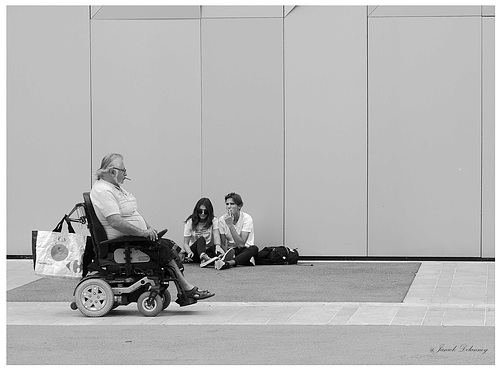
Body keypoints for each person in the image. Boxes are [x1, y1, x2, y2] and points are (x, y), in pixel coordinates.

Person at [89, 153, 214, 303]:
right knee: (162, 250)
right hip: (122, 243)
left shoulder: (114, 188)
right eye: (123, 170)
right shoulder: (104, 191)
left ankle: (184, 290)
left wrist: (149, 229)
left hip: (134, 238)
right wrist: (142, 232)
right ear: (113, 171)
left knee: (169, 245)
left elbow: (133, 213)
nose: (126, 173)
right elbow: (116, 222)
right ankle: (187, 289)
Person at [215, 192, 259, 270]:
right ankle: (243, 260)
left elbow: (241, 244)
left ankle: (229, 263)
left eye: (232, 204)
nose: (229, 207)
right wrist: (225, 254)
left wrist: (230, 225)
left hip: (244, 249)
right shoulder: (222, 220)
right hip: (231, 251)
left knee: (254, 249)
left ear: (239, 206)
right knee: (213, 250)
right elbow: (223, 243)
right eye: (227, 204)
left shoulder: (247, 218)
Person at [182, 198, 223, 267]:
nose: (203, 214)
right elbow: (185, 243)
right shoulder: (190, 221)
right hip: (194, 252)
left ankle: (215, 259)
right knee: (201, 239)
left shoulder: (214, 220)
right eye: (200, 211)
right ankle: (204, 258)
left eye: (205, 211)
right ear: (196, 211)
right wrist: (189, 252)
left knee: (215, 248)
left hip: (207, 251)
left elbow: (216, 235)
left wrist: (218, 246)